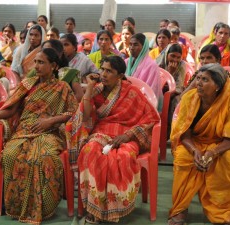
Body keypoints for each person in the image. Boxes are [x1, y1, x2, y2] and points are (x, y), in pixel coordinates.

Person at [65, 55, 160, 223]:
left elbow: (152, 118)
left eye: (109, 71)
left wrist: (128, 135)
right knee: (89, 151)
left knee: (122, 157)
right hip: (101, 132)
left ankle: (114, 209)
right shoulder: (97, 91)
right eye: (102, 69)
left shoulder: (132, 92)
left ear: (120, 75)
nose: (103, 74)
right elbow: (85, 115)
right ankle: (95, 208)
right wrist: (89, 89)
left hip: (127, 135)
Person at [0, 48, 78, 224]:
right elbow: (12, 108)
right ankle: (16, 207)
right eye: (35, 62)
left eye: (41, 62)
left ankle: (43, 208)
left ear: (53, 66)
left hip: (50, 133)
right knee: (9, 156)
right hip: (24, 131)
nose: (36, 66)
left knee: (43, 158)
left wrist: (51, 121)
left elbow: (74, 113)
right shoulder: (28, 84)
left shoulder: (63, 87)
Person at [168, 63, 230, 225]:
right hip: (194, 143)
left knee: (227, 160)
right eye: (198, 78)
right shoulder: (190, 98)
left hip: (220, 144)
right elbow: (184, 133)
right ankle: (180, 209)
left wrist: (212, 153)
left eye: (205, 80)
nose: (199, 83)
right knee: (183, 157)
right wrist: (195, 151)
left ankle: (222, 209)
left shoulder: (229, 102)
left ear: (217, 86)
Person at [126, 33, 162, 110]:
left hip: (143, 101)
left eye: (136, 45)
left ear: (143, 47)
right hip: (126, 98)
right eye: (130, 44)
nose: (132, 47)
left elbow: (152, 90)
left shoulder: (152, 66)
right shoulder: (126, 62)